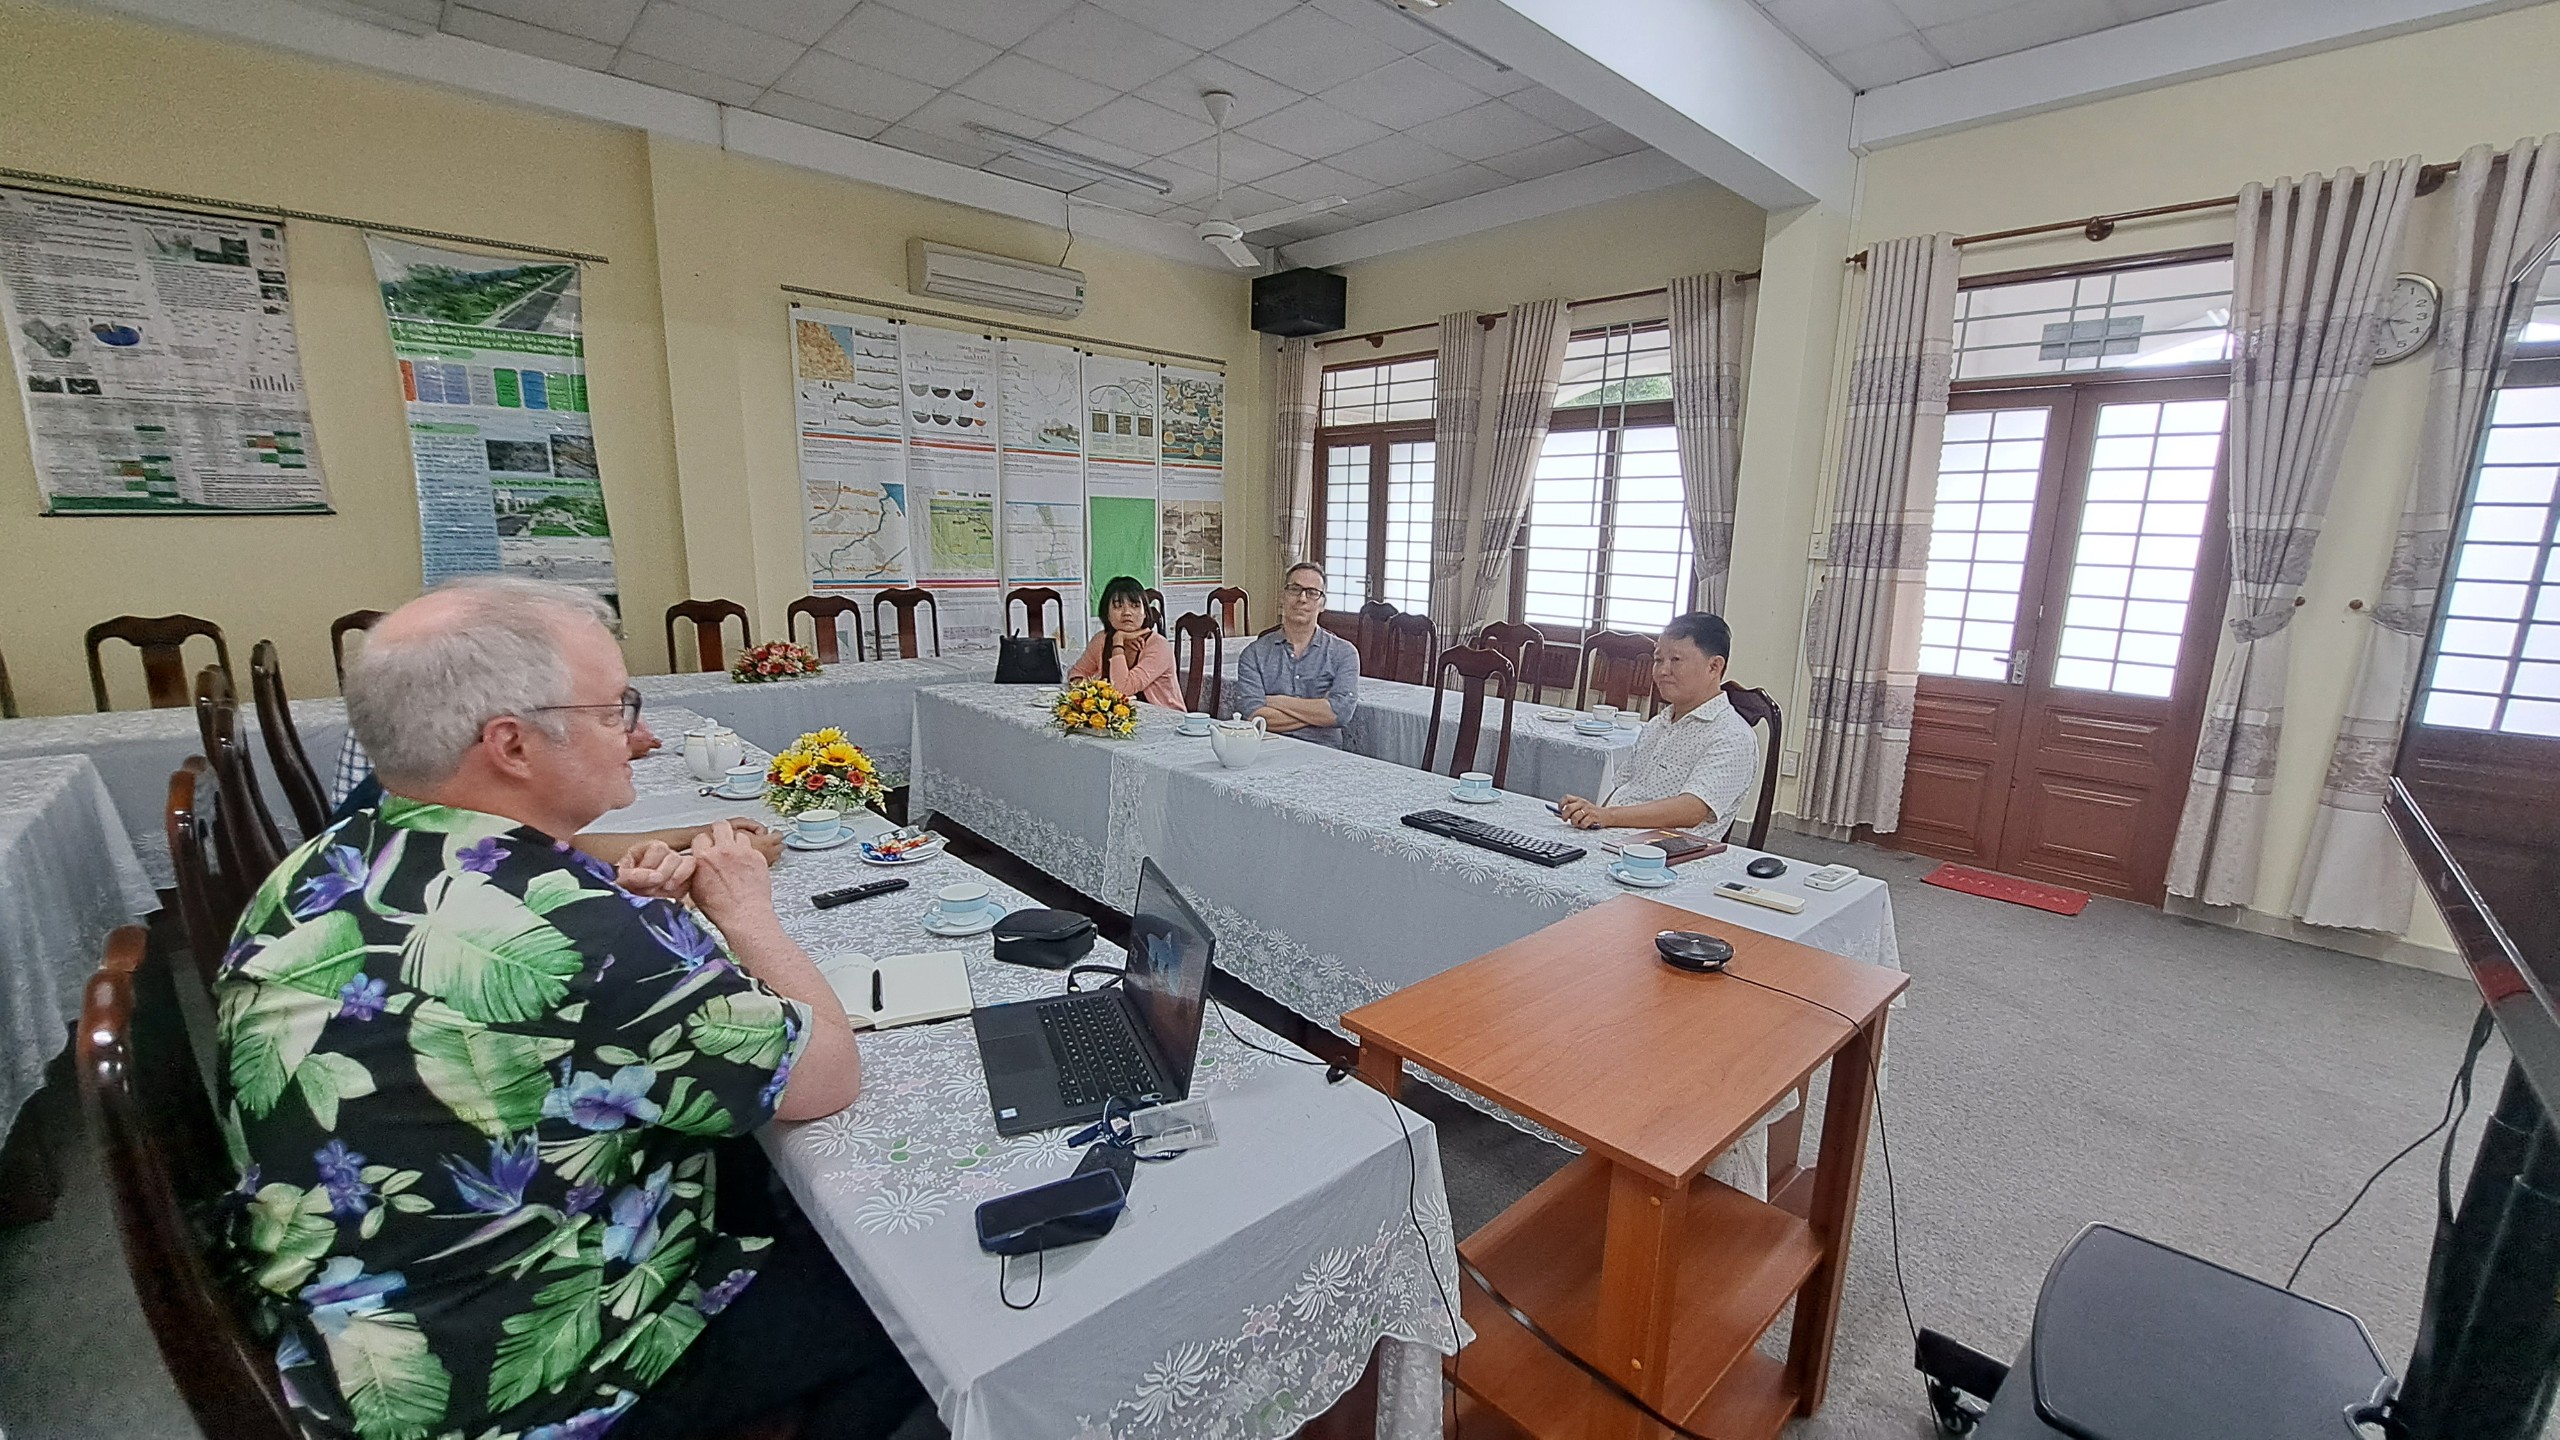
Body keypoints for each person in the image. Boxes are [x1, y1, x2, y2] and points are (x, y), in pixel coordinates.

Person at [213, 576, 928, 1440]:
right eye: (615, 710)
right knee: (914, 1306)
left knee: (760, 1174)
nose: (643, 735)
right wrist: (747, 916)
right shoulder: (577, 933)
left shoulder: (316, 870)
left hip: (356, 1332)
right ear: (511, 745)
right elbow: (826, 1075)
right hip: (515, 1381)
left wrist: (649, 938)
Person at [1557, 612, 1760, 841]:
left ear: (1714, 667)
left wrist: (1608, 816)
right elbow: (1623, 788)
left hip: (1664, 854)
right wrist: (1591, 817)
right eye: (1658, 660)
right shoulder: (1658, 723)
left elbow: (1693, 810)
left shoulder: (1732, 735)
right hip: (1613, 838)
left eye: (1676, 660)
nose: (1662, 671)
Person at [1226, 563, 1362, 747]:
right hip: (1266, 749)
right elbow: (1254, 715)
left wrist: (1275, 701)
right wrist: (1320, 712)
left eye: (1312, 592)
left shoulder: (1344, 653)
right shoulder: (1254, 654)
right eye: (1295, 589)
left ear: (1322, 604)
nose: (1302, 598)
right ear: (1282, 597)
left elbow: (1340, 714)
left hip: (1323, 752)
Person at [1066, 574, 1184, 708]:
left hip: (1164, 717)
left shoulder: (1158, 645)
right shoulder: (1101, 639)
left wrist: (1118, 641)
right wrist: (1090, 694)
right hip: (1117, 716)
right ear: (1107, 614)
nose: (1127, 612)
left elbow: (1122, 689)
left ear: (1145, 612)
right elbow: (1076, 674)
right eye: (1118, 606)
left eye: (1135, 606)